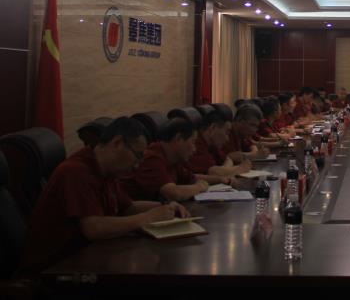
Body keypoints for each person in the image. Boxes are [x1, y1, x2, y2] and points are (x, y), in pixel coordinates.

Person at [19, 117, 188, 273]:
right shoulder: (75, 171)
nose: (137, 166)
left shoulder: (107, 171)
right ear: (117, 143)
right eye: (137, 156)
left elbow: (129, 207)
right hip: (54, 270)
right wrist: (148, 218)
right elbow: (94, 228)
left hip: (88, 257)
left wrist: (165, 207)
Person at [121, 118, 210, 202]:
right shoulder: (152, 157)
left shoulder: (174, 158)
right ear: (178, 139)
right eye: (193, 142)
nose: (194, 149)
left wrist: (202, 184)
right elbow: (173, 193)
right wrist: (199, 187)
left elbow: (192, 179)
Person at [187, 110, 252, 178]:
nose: (227, 139)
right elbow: (213, 172)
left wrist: (224, 170)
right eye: (226, 132)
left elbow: (227, 159)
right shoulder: (195, 143)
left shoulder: (212, 145)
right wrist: (241, 168)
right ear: (213, 127)